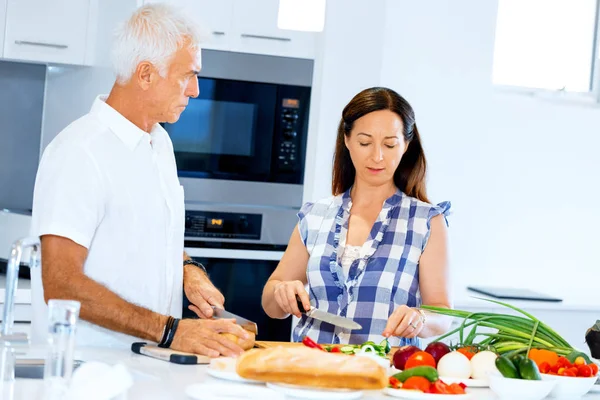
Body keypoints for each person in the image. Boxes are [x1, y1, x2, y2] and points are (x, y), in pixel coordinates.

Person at [30, 4, 249, 357]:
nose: (195, 90)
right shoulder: (78, 152)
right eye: (187, 75)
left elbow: (141, 234)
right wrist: (171, 331)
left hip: (146, 365)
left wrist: (188, 270)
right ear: (145, 74)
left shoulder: (159, 144)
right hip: (85, 370)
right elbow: (61, 284)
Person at [262, 87, 452, 347]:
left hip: (383, 375)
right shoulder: (315, 216)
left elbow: (442, 313)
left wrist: (419, 317)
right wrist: (280, 292)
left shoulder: (427, 221)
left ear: (406, 145)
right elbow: (272, 304)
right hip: (310, 369)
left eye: (389, 144)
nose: (377, 156)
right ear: (348, 140)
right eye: (365, 142)